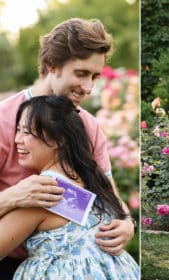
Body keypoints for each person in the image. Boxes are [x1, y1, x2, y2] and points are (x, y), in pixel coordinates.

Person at [0, 18, 136, 278]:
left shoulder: (88, 125)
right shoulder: (3, 120)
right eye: (81, 73)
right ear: (52, 66)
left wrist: (127, 222)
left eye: (95, 76)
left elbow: (106, 193)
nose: (88, 88)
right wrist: (13, 197)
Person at [0, 96, 140, 279]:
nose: (17, 139)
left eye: (26, 132)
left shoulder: (45, 192)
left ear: (58, 139)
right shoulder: (93, 178)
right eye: (17, 130)